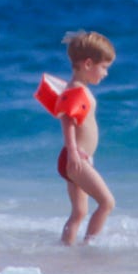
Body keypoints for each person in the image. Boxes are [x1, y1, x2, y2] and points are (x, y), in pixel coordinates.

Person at [49, 30, 116, 245]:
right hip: (75, 157)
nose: (105, 73)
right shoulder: (77, 90)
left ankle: (65, 249)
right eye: (103, 67)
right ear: (88, 64)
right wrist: (74, 154)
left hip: (77, 156)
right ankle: (90, 246)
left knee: (79, 213)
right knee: (107, 203)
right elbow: (67, 120)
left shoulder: (77, 89)